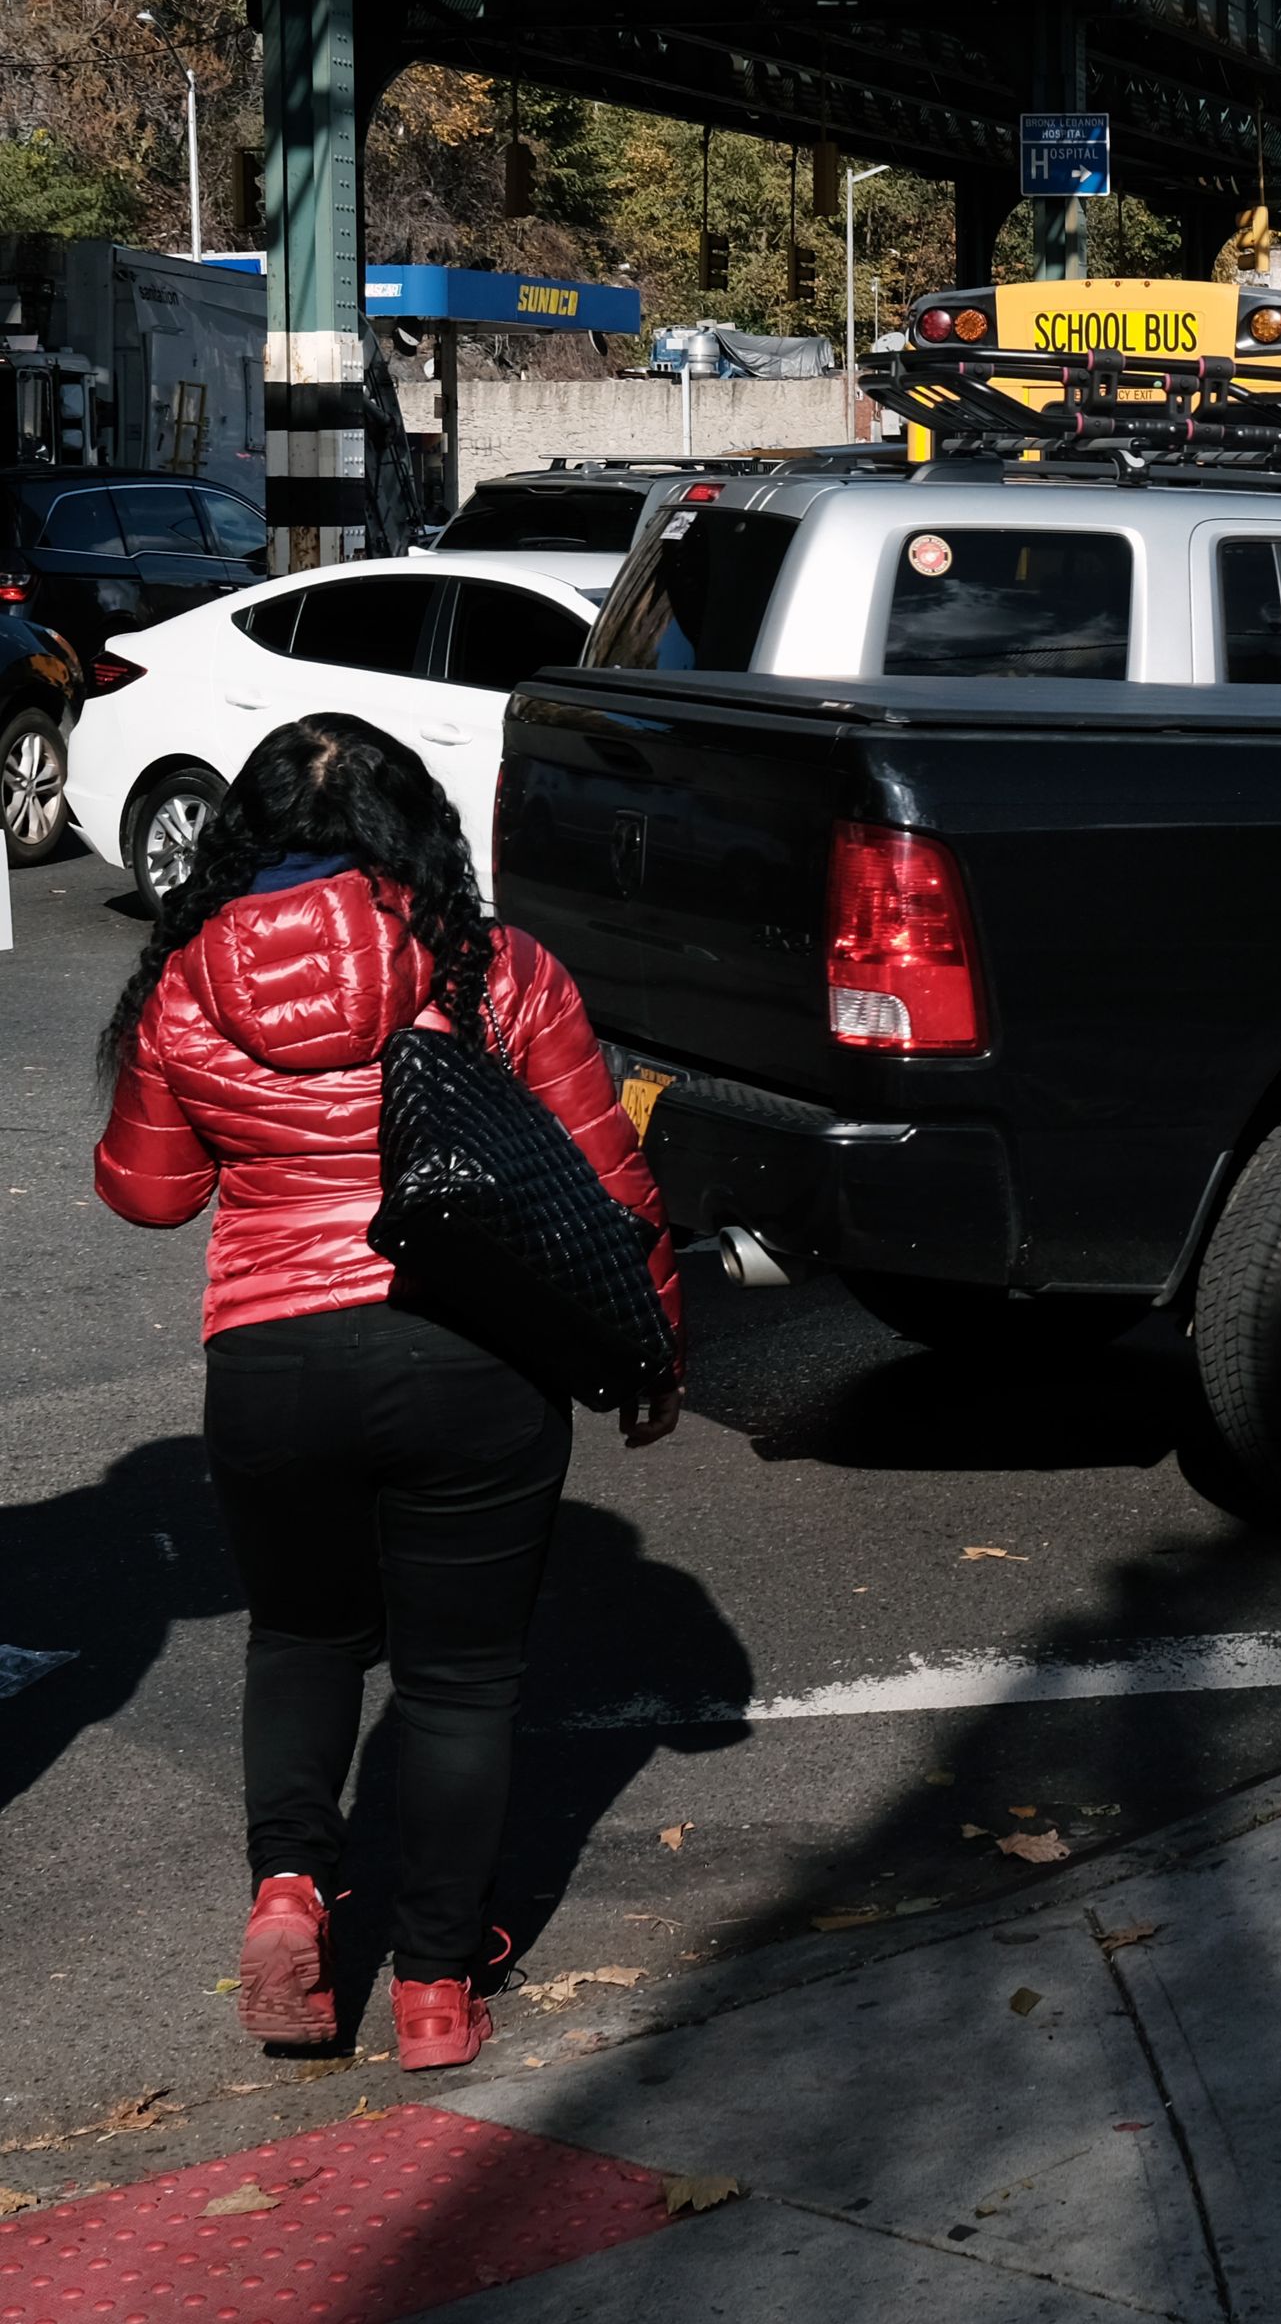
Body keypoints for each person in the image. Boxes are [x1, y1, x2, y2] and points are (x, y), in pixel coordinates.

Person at [93, 713, 682, 2074]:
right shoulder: (496, 968)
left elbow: (150, 1193)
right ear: (415, 826)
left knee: (301, 1639)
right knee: (463, 1680)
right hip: (473, 1356)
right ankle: (432, 1988)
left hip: (272, 1363)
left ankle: (291, 1895)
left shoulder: (185, 982)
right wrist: (654, 1355)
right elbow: (611, 1183)